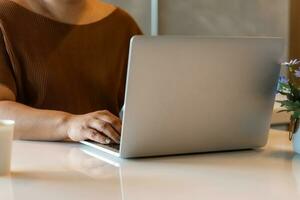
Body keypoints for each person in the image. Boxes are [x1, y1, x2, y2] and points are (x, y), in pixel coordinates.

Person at [0, 0, 142, 144]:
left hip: (106, 163)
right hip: (33, 162)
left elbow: (152, 106)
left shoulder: (121, 23)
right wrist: (68, 124)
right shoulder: (5, 15)